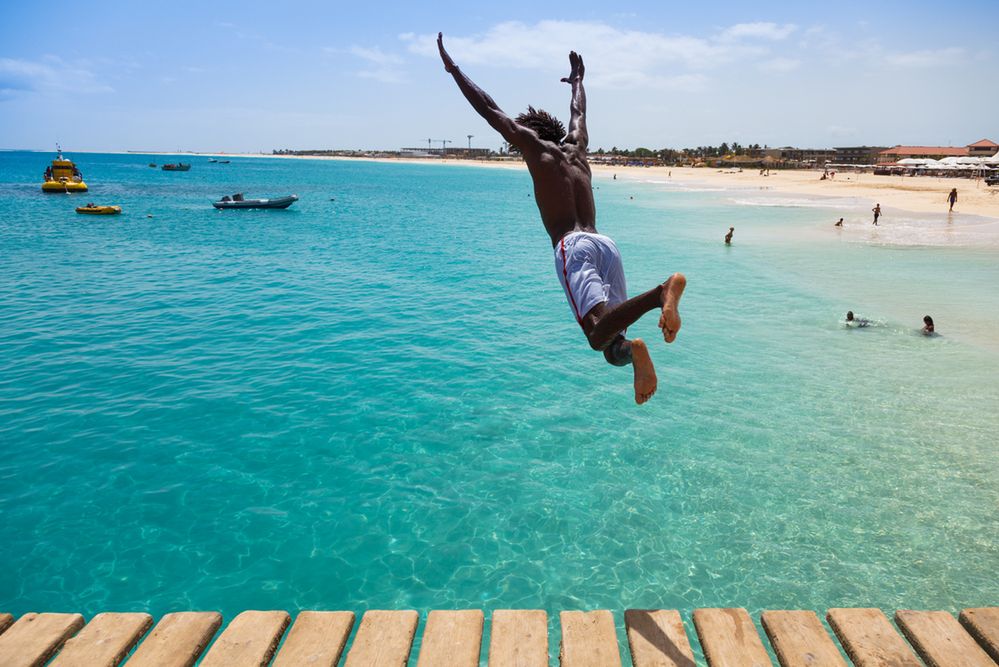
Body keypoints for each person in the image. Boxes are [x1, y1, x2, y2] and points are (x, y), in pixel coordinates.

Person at [437, 33, 685, 405]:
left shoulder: (536, 149)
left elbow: (490, 110)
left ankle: (660, 293)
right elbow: (579, 113)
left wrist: (454, 70)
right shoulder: (577, 150)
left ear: (528, 134)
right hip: (606, 244)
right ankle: (635, 351)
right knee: (611, 345)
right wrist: (578, 81)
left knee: (596, 333)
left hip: (574, 247)